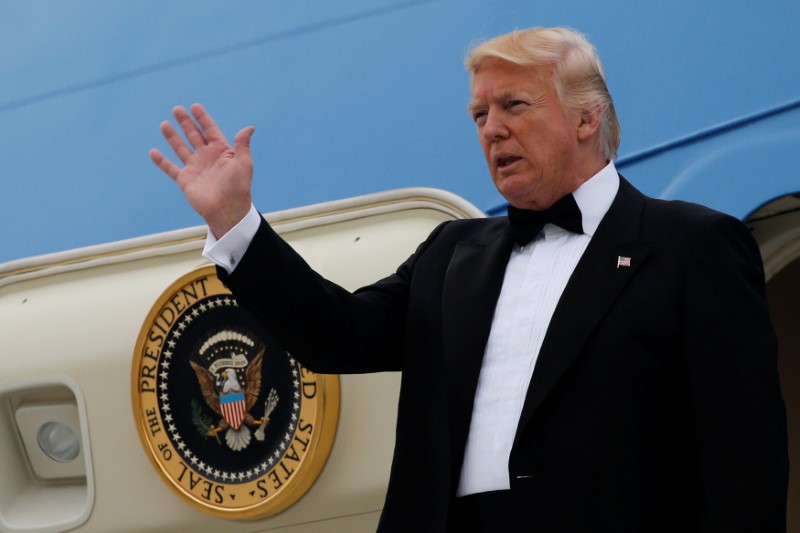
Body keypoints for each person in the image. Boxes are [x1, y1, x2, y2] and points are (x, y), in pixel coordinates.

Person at [151, 27, 788, 532]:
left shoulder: (691, 244)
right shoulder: (453, 252)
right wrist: (237, 224)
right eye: (479, 114)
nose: (492, 129)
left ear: (586, 119)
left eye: (514, 105)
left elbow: (745, 458)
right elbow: (336, 335)